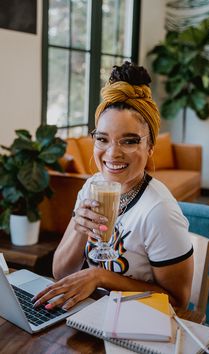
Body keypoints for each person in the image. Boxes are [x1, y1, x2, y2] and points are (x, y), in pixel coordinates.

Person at [33, 61, 193, 312]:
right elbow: (60, 272)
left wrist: (100, 277)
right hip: (93, 314)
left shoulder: (159, 211)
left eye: (129, 141)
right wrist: (78, 226)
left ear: (150, 146)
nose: (112, 154)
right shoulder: (92, 187)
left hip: (140, 324)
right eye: (102, 139)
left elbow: (178, 302)